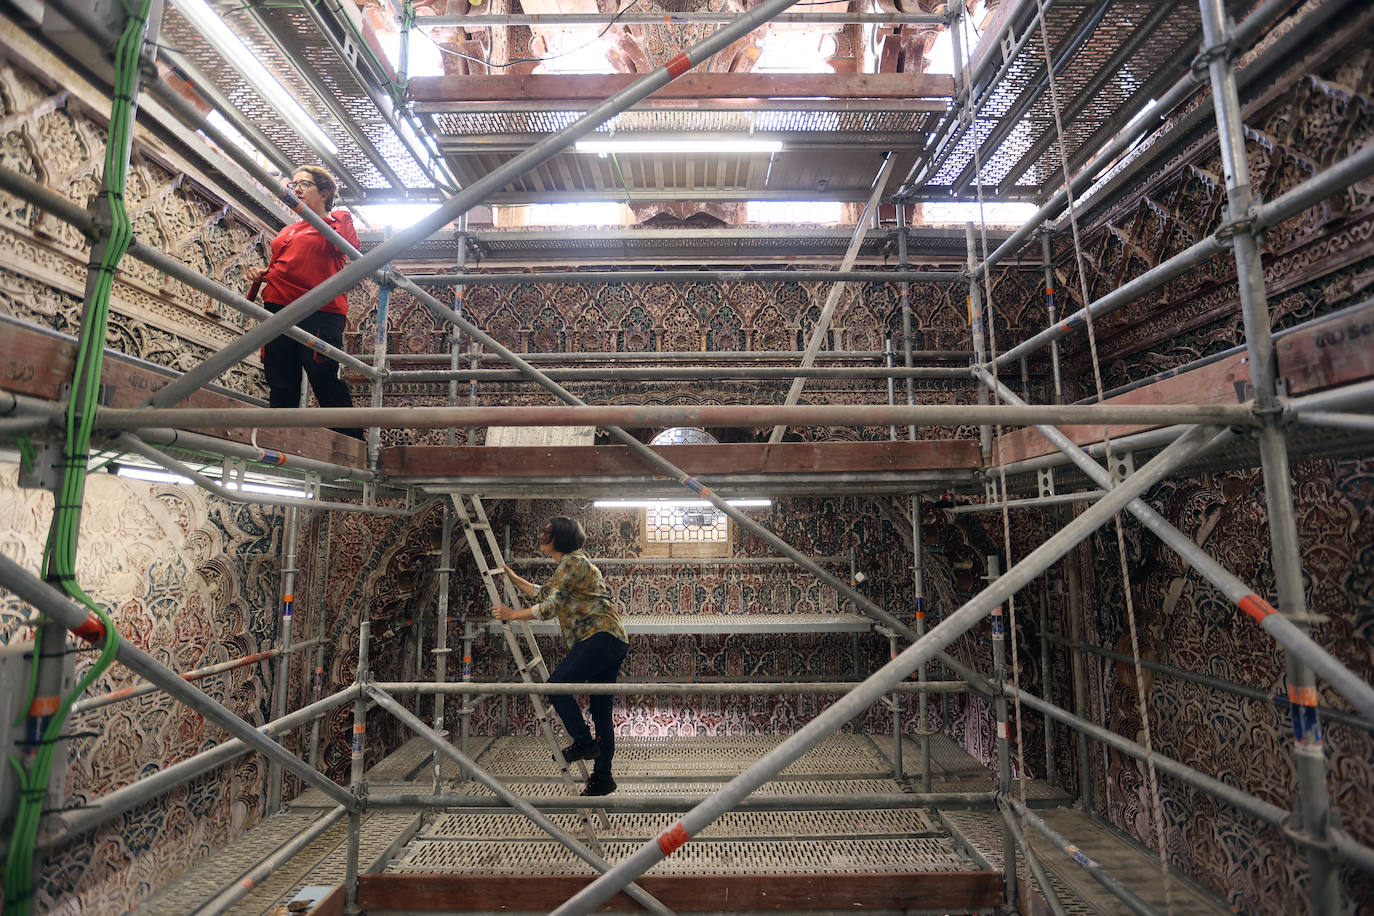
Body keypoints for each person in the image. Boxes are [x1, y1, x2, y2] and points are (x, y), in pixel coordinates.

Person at [493, 517, 629, 796]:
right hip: (611, 638)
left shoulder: (572, 562)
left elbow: (549, 607)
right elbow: (543, 593)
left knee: (556, 687)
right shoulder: (571, 564)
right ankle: (602, 777)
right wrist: (512, 577)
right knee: (600, 711)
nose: (541, 535)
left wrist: (512, 615)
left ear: (561, 539)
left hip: (599, 636)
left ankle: (583, 742)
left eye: (547, 532)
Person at [244, 166, 363, 440]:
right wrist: (264, 273)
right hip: (279, 303)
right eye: (293, 184)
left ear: (325, 192)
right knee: (280, 373)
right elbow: (287, 263)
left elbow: (350, 249)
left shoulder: (336, 222)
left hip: (318, 308)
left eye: (304, 184)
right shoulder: (290, 229)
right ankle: (279, 436)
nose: (295, 189)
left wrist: (340, 217)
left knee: (322, 372)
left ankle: (351, 440)